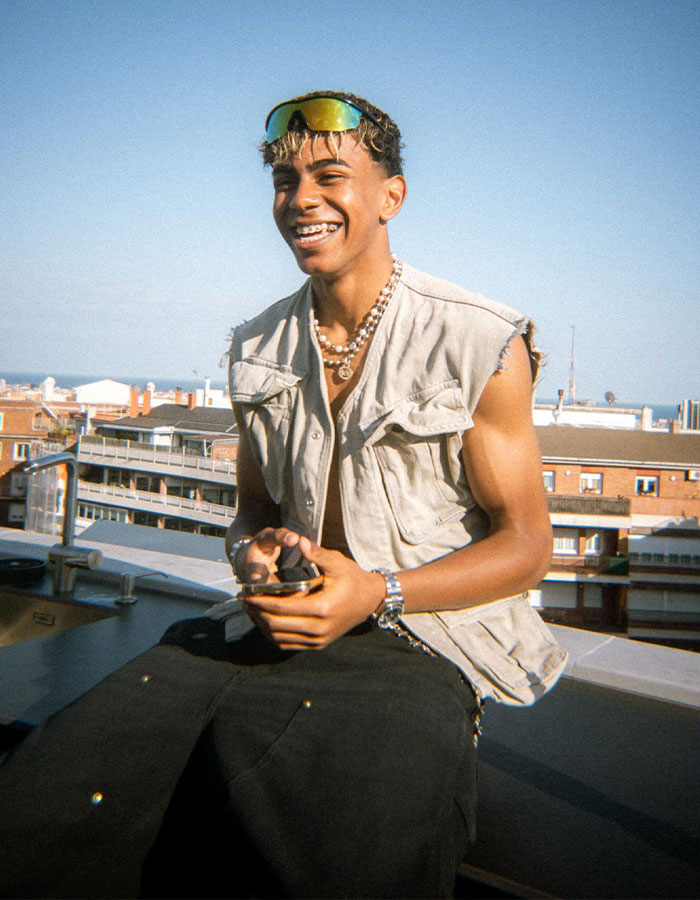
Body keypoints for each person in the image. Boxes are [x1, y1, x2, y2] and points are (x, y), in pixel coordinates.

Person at [0, 91, 556, 900]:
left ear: (391, 196)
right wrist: (251, 551)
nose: (301, 200)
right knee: (47, 796)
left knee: (343, 855)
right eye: (286, 180)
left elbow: (527, 546)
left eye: (331, 175)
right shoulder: (256, 345)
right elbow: (253, 510)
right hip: (270, 626)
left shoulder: (478, 339)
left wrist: (377, 591)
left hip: (423, 639)